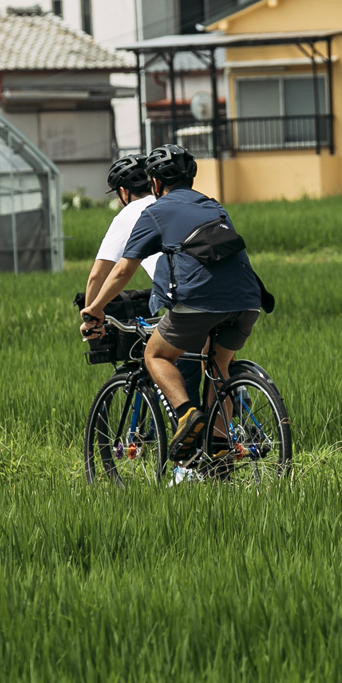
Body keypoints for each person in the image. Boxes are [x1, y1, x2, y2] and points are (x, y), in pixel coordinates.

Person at [77, 144, 262, 458]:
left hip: (198, 300)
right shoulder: (212, 204)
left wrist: (94, 310)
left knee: (156, 355)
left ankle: (188, 415)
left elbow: (122, 271)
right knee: (217, 367)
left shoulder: (155, 212)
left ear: (156, 184)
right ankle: (218, 454)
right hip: (248, 299)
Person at [81, 153, 163, 310]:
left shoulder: (130, 212)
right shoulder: (171, 204)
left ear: (124, 192)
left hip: (186, 301)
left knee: (163, 334)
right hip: (218, 290)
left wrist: (90, 315)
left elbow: (98, 275)